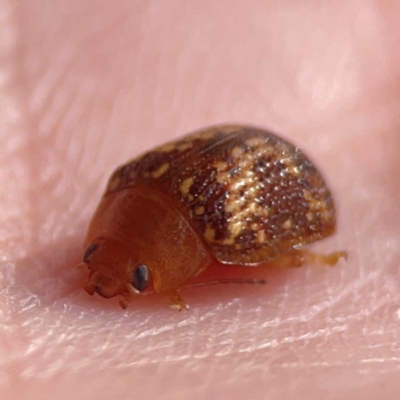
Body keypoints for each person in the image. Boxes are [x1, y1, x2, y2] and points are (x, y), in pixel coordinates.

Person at [1, 2, 398, 398]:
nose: (100, 282)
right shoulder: (131, 180)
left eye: (141, 276)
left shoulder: (203, 214)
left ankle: (305, 256)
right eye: (92, 252)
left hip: (276, 171)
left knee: (277, 253)